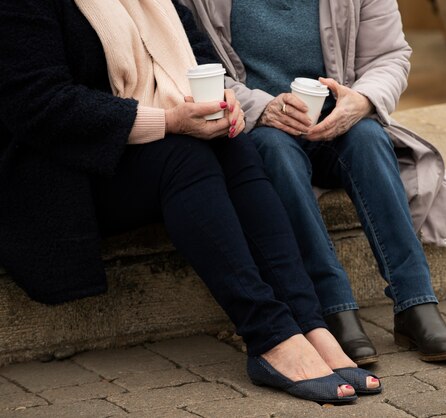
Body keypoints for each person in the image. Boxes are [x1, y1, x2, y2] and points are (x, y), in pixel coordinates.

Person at [0, 0, 382, 403]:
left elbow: (198, 58)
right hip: (62, 172)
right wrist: (166, 121)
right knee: (185, 157)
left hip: (137, 151)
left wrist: (222, 102)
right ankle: (270, 336)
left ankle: (310, 324)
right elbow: (39, 104)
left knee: (235, 145)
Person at [180, 0, 446, 364]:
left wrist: (362, 100)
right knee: (275, 149)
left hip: (338, 123)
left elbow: (390, 55)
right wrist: (261, 108)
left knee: (369, 137)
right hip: (262, 129)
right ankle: (335, 308)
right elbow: (191, 65)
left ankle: (416, 302)